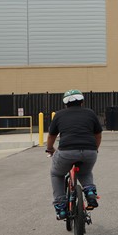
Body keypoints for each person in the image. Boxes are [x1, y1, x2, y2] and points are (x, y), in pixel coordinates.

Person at [46, 89, 103, 220]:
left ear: (65, 103)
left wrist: (50, 149)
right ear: (82, 102)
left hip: (67, 151)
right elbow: (98, 135)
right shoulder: (90, 113)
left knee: (56, 173)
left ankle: (60, 207)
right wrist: (95, 149)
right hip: (90, 151)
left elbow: (51, 136)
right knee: (85, 172)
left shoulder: (59, 115)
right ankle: (89, 192)